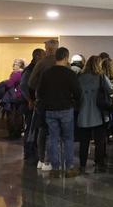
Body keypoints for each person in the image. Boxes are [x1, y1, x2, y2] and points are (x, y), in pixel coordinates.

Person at [38, 47, 82, 178]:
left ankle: (55, 168)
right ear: (66, 57)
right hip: (66, 109)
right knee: (68, 139)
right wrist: (74, 103)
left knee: (53, 139)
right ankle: (69, 168)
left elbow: (39, 92)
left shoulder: (47, 73)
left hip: (50, 110)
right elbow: (78, 92)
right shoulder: (70, 73)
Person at [76, 55, 112, 174]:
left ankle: (82, 165)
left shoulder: (79, 77)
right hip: (99, 114)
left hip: (83, 114)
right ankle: (99, 165)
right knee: (99, 142)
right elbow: (111, 89)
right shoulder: (101, 77)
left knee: (84, 142)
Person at [29, 40, 59, 170]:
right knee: (55, 132)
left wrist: (39, 90)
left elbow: (30, 82)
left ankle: (41, 159)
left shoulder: (41, 63)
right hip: (58, 103)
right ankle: (51, 160)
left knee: (42, 131)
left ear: (47, 49)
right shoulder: (63, 63)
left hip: (42, 102)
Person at [20, 48, 44, 162]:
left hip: (34, 103)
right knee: (30, 128)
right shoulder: (30, 70)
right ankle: (29, 153)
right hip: (30, 104)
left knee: (34, 128)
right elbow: (24, 86)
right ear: (37, 56)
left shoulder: (34, 69)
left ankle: (32, 151)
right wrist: (30, 100)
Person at [1, 58, 26, 140]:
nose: (13, 66)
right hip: (22, 97)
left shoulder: (16, 73)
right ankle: (18, 132)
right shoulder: (25, 73)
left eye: (15, 64)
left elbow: (10, 84)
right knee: (19, 115)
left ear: (19, 65)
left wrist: (5, 82)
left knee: (11, 115)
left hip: (14, 97)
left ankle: (12, 133)